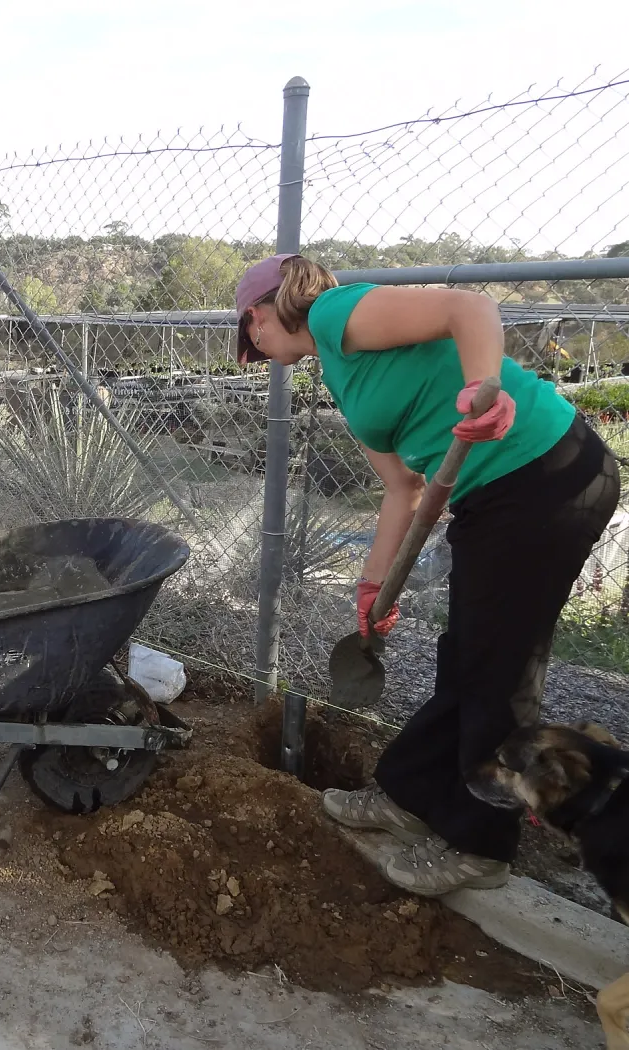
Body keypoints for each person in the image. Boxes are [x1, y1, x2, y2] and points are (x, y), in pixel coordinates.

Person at [234, 253, 620, 895]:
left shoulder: (336, 311)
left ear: (258, 315)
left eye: (251, 340)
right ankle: (408, 796)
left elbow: (467, 308)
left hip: (543, 477)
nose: (256, 353)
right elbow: (401, 487)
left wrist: (480, 386)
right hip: (489, 497)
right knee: (465, 657)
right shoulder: (338, 368)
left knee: (499, 673)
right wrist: (372, 582)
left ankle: (480, 848)